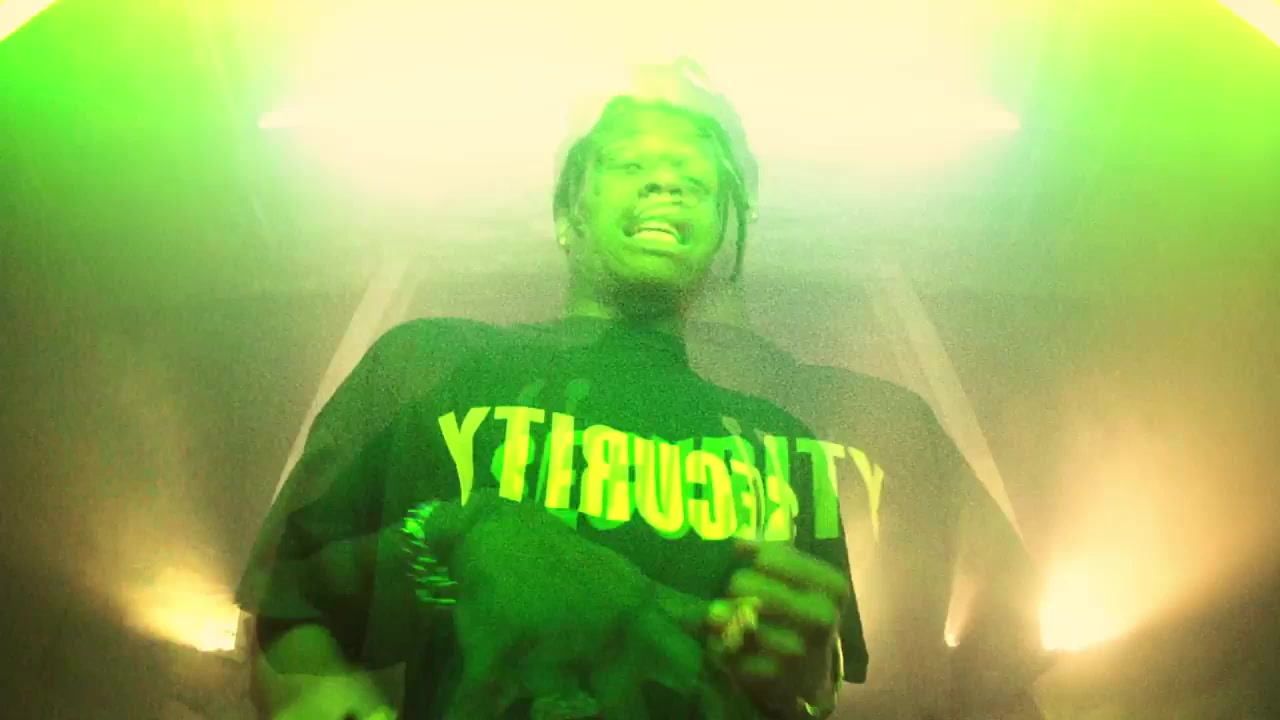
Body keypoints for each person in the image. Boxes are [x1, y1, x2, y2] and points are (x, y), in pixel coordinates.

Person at [237, 58, 868, 720]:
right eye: (630, 161)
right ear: (569, 210)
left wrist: (798, 686)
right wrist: (454, 539)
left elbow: (817, 692)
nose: (667, 181)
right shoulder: (425, 367)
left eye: (696, 174)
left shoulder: (786, 446)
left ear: (721, 232)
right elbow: (285, 619)